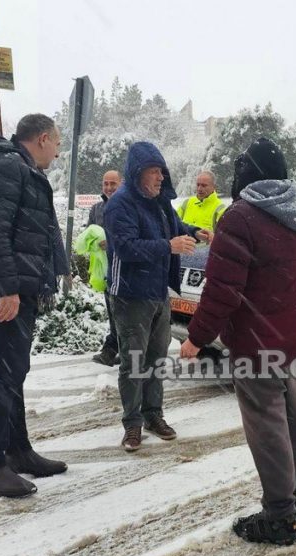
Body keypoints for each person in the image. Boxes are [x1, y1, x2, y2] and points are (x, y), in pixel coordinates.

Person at [179, 137, 296, 546]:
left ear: (247, 175)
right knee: (293, 416)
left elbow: (223, 291)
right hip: (290, 333)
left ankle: (280, 517)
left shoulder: (241, 218)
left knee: (267, 425)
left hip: (255, 342)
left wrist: (196, 338)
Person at [0, 113, 69, 498]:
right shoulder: (9, 167)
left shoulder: (16, 166)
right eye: (56, 142)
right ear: (41, 139)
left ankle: (18, 451)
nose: (57, 151)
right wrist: (7, 288)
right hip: (4, 289)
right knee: (7, 372)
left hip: (16, 285)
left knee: (14, 369)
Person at [104, 141, 210, 452]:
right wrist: (170, 246)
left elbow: (175, 226)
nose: (160, 178)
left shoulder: (160, 202)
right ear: (138, 174)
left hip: (158, 293)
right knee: (133, 363)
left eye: (162, 172)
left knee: (156, 360)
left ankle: (153, 416)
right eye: (154, 172)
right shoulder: (120, 204)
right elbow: (125, 247)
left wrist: (194, 232)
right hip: (130, 296)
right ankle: (133, 424)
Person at [89, 170, 122, 366]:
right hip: (105, 271)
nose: (108, 188)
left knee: (123, 313)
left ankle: (114, 350)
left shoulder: (128, 207)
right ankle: (114, 349)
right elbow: (87, 236)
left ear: (121, 184)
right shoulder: (96, 209)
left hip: (125, 271)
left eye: (113, 184)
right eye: (105, 183)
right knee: (112, 312)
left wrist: (110, 243)